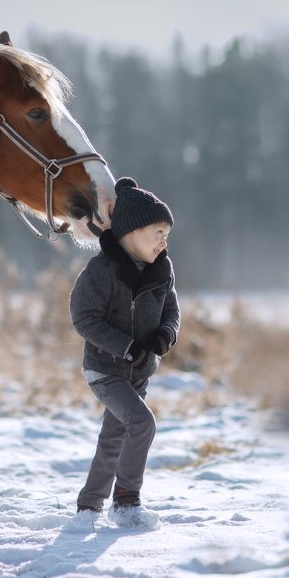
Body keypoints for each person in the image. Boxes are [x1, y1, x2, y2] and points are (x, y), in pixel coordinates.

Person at [69, 176, 179, 528]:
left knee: (114, 436)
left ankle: (89, 506)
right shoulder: (102, 271)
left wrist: (165, 335)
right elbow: (84, 317)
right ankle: (127, 501)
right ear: (131, 233)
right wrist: (126, 347)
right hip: (105, 369)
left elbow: (171, 310)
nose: (164, 241)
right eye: (157, 232)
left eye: (167, 234)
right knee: (141, 422)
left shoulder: (162, 270)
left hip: (140, 370)